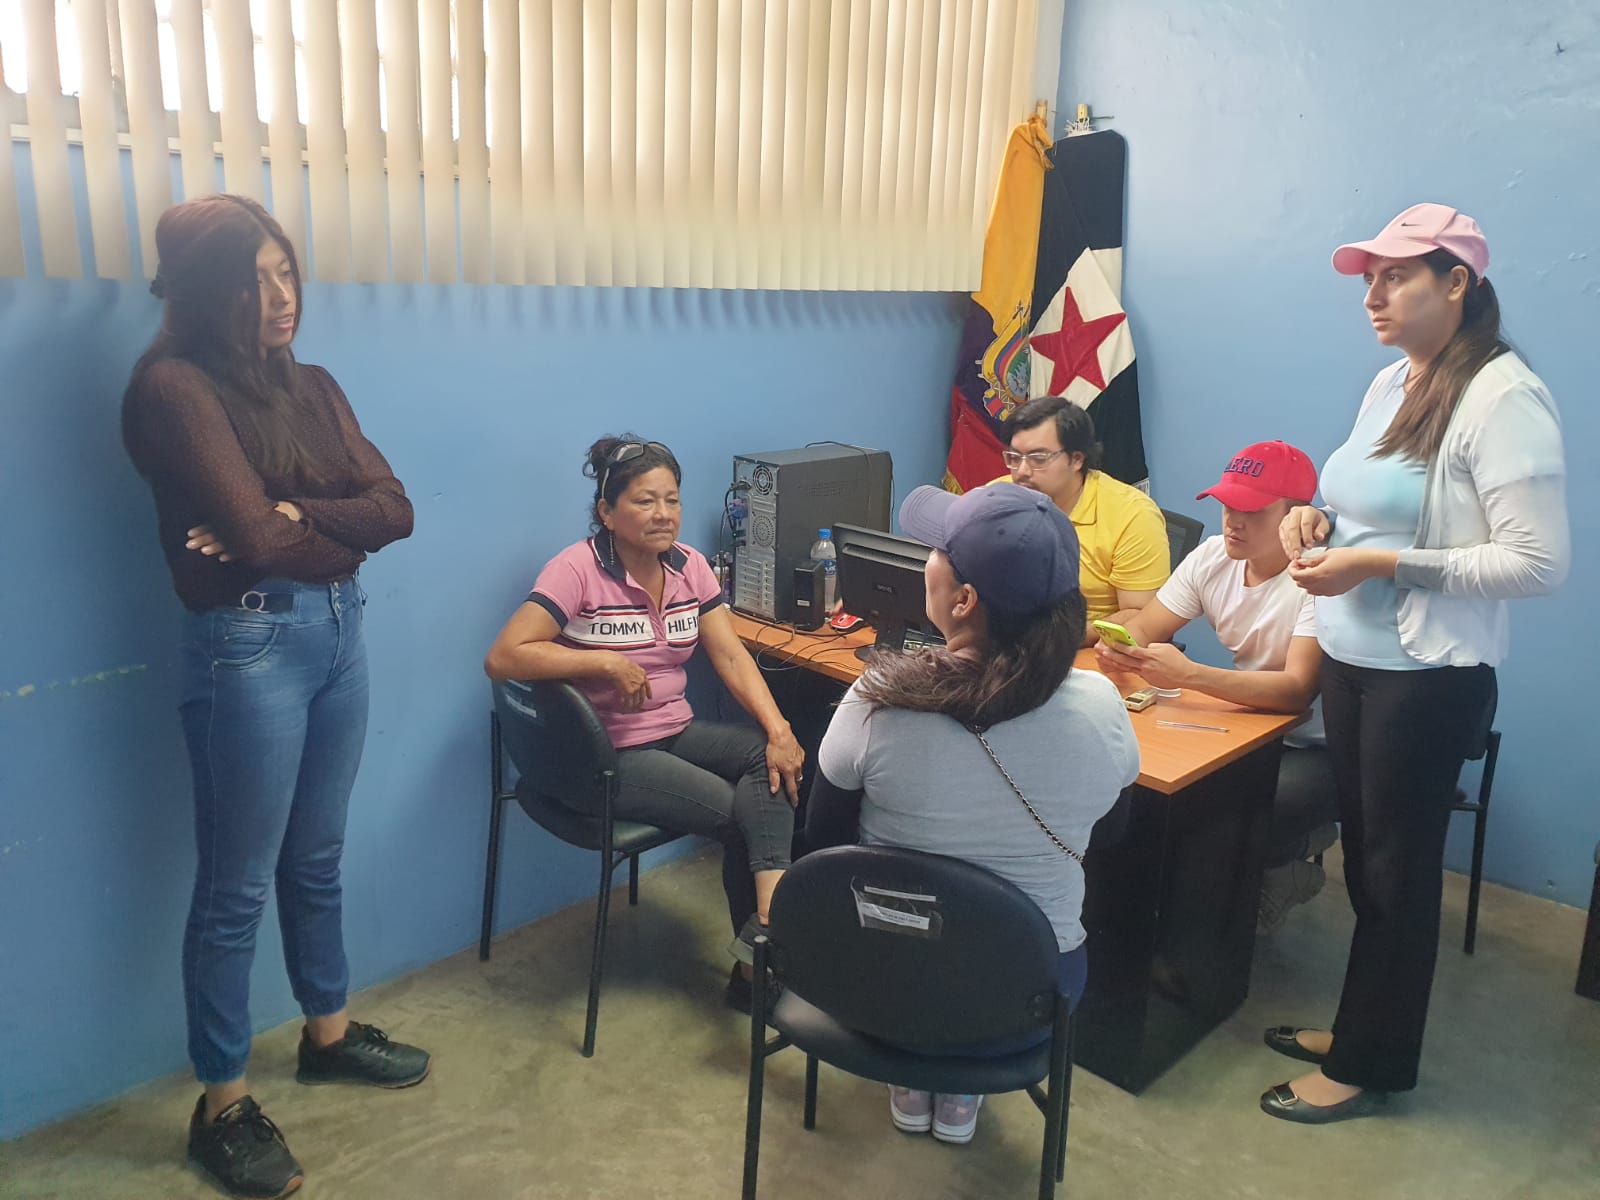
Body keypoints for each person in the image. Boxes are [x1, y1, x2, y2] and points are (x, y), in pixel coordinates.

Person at [121, 194, 428, 1199]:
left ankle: (326, 1035)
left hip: (339, 634)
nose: (279, 295)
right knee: (235, 890)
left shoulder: (314, 385)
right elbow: (254, 543)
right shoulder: (174, 388)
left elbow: (398, 510)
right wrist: (301, 526)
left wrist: (292, 512)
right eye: (252, 280)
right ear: (207, 292)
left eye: (285, 270)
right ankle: (222, 1105)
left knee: (317, 856)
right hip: (246, 646)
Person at [1262, 203, 1569, 1123]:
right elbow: (1362, 502)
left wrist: (1379, 565)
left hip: (1426, 679)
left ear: (1457, 282)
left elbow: (1537, 564)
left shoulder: (1503, 397)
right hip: (1352, 661)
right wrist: (1314, 520)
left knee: (1397, 876)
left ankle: (1370, 1063)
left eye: (1396, 277)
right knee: (1368, 867)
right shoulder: (1394, 379)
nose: (1373, 296)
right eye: (1369, 279)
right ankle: (1363, 1026)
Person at [806, 482, 1139, 1146]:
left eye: (936, 550)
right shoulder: (1101, 706)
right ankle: (961, 1090)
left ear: (962, 600)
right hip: (1023, 1002)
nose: (925, 558)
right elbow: (1111, 831)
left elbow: (822, 840)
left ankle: (912, 1076)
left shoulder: (877, 699)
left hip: (877, 990)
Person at [483, 436, 805, 1014]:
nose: (663, 514)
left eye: (672, 500)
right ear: (607, 512)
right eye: (645, 501)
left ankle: (767, 926)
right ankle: (757, 971)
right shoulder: (576, 569)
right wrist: (604, 662)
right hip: (605, 756)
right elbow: (504, 656)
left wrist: (780, 729)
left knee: (773, 760)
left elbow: (731, 656)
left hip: (672, 730)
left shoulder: (690, 566)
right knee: (740, 816)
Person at [1093, 440, 1337, 932]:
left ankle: (1289, 856)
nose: (1233, 522)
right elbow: (1147, 625)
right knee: (1153, 797)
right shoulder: (1213, 557)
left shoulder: (1319, 575)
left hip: (1320, 746)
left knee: (1224, 813)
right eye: (1227, 506)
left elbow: (1297, 692)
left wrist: (1189, 676)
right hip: (1249, 726)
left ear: (1294, 516)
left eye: (1253, 511)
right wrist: (1119, 645)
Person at [992, 396, 1169, 641]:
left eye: (1038, 459)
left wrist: (1051, 641)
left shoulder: (1133, 514)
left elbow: (1142, 615)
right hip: (1003, 642)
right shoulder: (995, 498)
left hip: (1087, 649)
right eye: (1014, 457)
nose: (1022, 471)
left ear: (1077, 459)